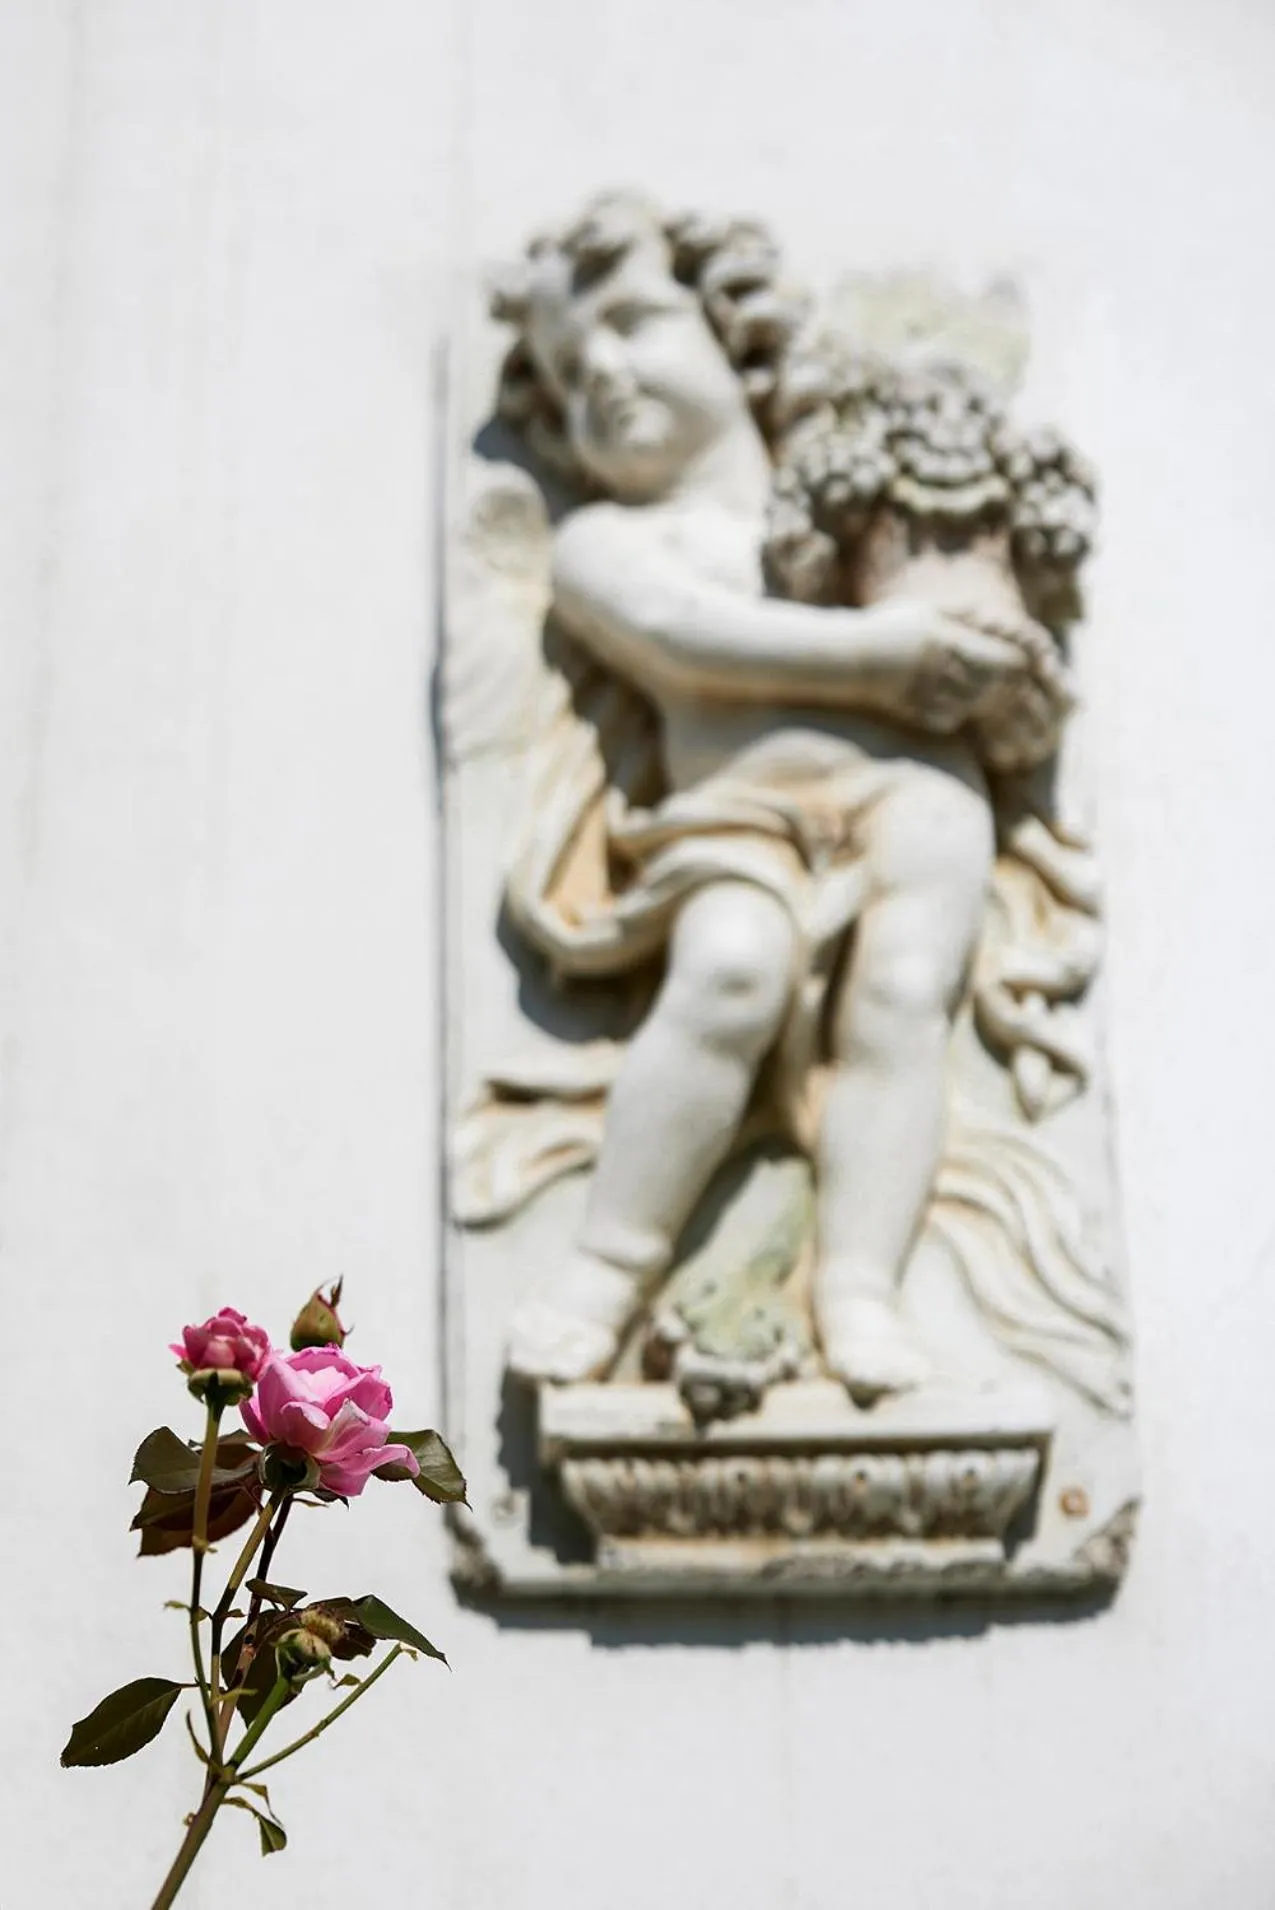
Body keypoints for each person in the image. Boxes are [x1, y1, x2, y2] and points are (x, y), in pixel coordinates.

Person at [485, 194, 1070, 1401]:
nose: (603, 374)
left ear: (733, 335)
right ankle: (608, 1263)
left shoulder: (860, 497)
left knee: (906, 999)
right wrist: (884, 655)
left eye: (635, 324)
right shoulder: (606, 540)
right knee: (730, 970)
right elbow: (688, 643)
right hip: (735, 813)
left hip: (914, 786)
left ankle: (858, 1282)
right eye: (565, 367)